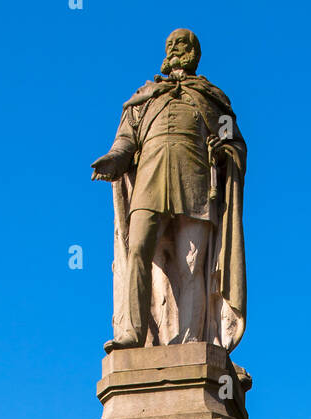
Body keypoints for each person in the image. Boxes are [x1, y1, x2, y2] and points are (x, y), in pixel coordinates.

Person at [91, 28, 246, 353]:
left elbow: (234, 144)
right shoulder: (145, 97)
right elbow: (125, 140)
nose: (178, 48)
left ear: (195, 53)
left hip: (196, 186)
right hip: (148, 184)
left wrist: (223, 151)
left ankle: (191, 342)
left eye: (184, 44)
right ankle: (132, 333)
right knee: (138, 253)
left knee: (192, 262)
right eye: (173, 44)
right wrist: (114, 160)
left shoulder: (211, 98)